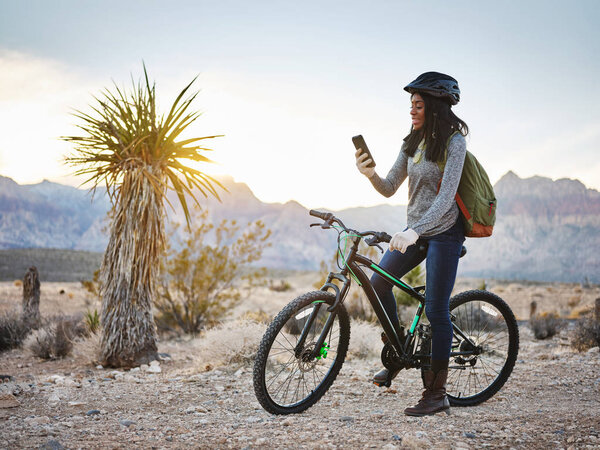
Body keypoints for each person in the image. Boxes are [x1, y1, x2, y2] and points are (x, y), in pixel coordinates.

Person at [354, 71, 468, 416]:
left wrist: (415, 231)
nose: (412, 111)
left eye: (417, 105)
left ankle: (436, 395)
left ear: (434, 106)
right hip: (415, 230)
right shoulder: (412, 142)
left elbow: (446, 197)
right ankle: (400, 346)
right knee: (377, 283)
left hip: (444, 233)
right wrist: (369, 173)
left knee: (435, 309)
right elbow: (389, 186)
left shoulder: (455, 142)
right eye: (411, 105)